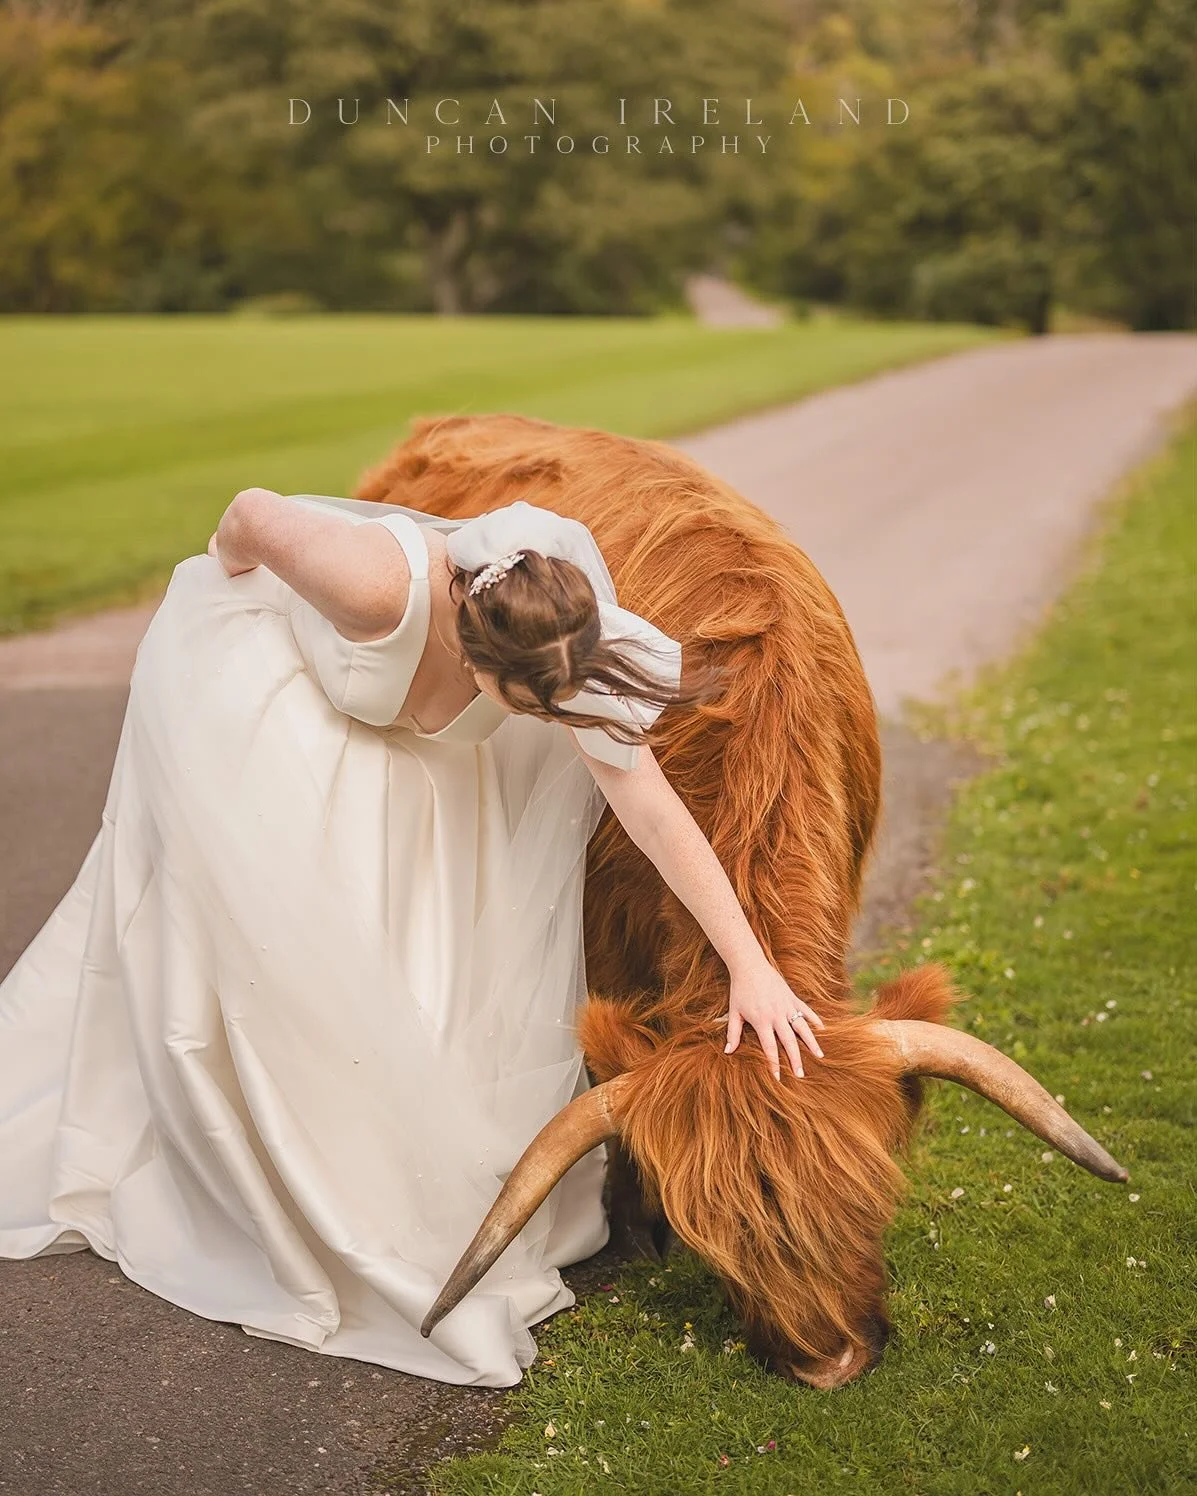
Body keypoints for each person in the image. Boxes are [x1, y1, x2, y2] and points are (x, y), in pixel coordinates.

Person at [0, 486, 825, 1387]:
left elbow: (653, 814)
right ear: (471, 651)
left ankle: (386, 1167)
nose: (547, 720)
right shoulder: (372, 587)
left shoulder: (561, 636)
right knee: (288, 957)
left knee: (428, 965)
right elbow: (246, 517)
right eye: (526, 704)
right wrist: (222, 638)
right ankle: (279, 1173)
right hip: (277, 700)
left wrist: (750, 966)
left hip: (422, 751)